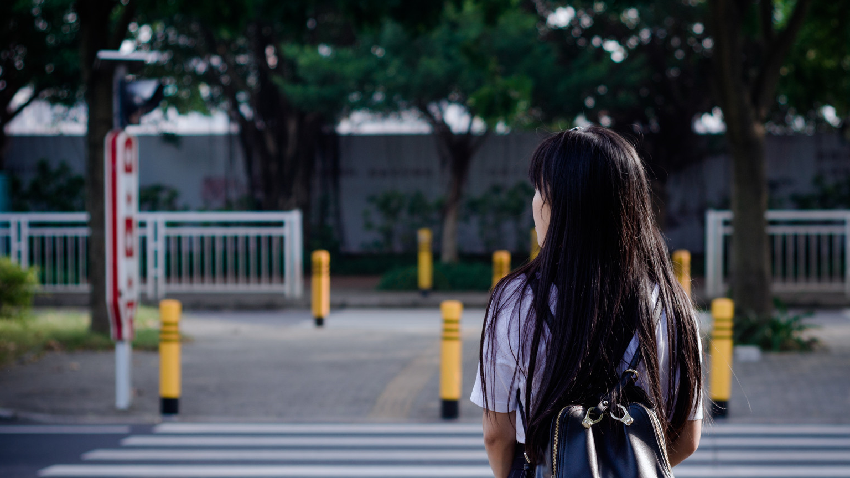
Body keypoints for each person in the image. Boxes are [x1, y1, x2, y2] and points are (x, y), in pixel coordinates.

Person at [470, 126, 704, 478]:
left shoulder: (516, 299)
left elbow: (497, 435)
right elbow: (686, 437)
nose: (534, 203)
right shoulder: (670, 303)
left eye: (539, 191)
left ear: (562, 207)